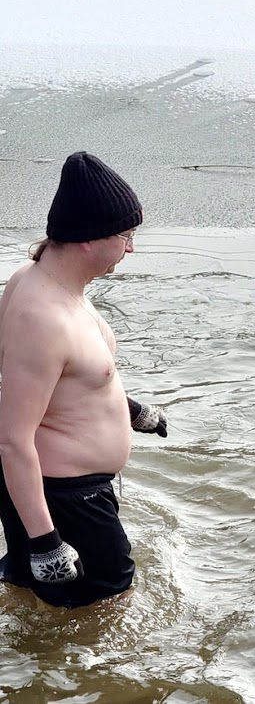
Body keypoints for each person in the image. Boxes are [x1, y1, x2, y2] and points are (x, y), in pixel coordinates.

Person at [0, 151, 169, 608]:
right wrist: (46, 543)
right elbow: (12, 439)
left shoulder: (44, 282)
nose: (131, 249)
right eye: (126, 236)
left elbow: (57, 382)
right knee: (108, 609)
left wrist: (129, 411)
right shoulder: (42, 317)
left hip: (63, 491)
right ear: (88, 240)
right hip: (66, 498)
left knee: (33, 602)